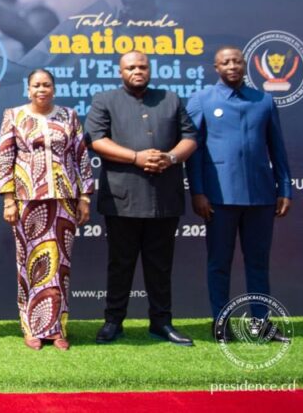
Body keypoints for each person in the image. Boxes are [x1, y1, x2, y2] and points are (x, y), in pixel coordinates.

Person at [85, 52, 198, 346]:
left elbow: (190, 138)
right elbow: (96, 140)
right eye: (131, 67)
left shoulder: (170, 99)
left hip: (164, 197)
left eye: (142, 66)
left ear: (150, 69)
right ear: (120, 71)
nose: (138, 71)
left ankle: (161, 322)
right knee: (120, 263)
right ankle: (113, 321)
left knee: (160, 265)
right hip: (123, 198)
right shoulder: (104, 100)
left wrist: (170, 157)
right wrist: (137, 157)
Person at [186, 46, 292, 342]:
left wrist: (284, 188)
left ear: (245, 65)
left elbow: (278, 149)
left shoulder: (264, 101)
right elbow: (193, 152)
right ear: (216, 68)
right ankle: (222, 324)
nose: (232, 65)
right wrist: (198, 192)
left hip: (261, 196)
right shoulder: (202, 99)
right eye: (225, 62)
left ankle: (262, 324)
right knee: (219, 263)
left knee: (258, 263)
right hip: (219, 197)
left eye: (237, 61)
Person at [0, 69, 94, 350]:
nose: (42, 89)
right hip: (28, 199)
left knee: (60, 264)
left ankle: (57, 329)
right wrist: (9, 199)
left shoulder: (69, 116)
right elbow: (5, 157)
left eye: (47, 85)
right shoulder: (14, 116)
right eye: (36, 85)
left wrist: (85, 197)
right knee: (30, 262)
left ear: (54, 88)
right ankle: (32, 327)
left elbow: (80, 157)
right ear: (28, 89)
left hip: (64, 199)